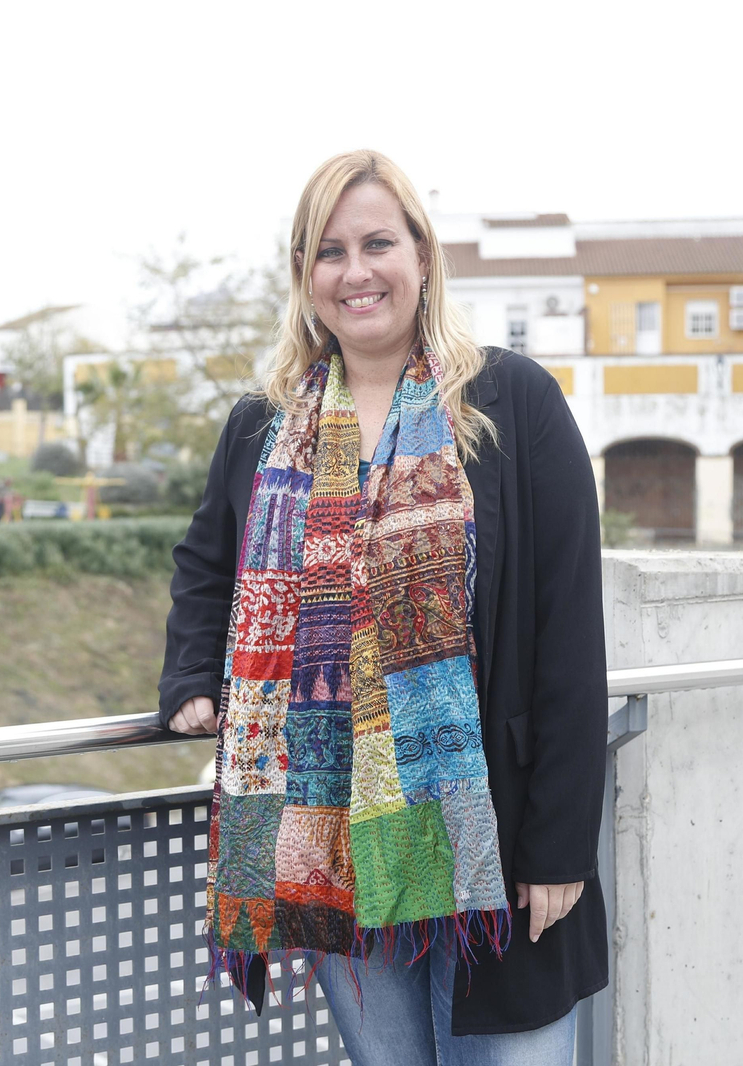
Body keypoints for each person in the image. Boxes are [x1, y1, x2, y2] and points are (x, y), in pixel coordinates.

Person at [158, 149, 608, 1065]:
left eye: (376, 244)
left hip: (497, 837)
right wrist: (192, 676)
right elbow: (208, 561)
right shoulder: (261, 424)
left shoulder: (512, 403)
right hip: (331, 847)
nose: (355, 272)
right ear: (304, 277)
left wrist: (560, 844)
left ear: (422, 257)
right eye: (329, 252)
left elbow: (570, 628)